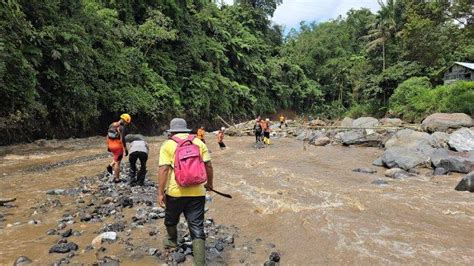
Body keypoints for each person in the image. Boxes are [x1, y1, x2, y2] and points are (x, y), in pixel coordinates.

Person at [158, 118, 213, 266]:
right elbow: (208, 165)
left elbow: (163, 169)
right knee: (196, 225)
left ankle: (172, 241)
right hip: (198, 193)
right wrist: (210, 184)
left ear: (172, 131)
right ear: (186, 130)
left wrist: (160, 193)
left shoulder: (168, 145)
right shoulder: (199, 143)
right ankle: (200, 262)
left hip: (175, 193)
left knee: (171, 219)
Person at [106, 113, 131, 183]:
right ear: (124, 120)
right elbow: (123, 139)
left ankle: (111, 168)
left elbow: (107, 136)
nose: (126, 124)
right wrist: (125, 149)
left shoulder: (112, 124)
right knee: (118, 162)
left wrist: (108, 146)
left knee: (115, 158)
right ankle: (117, 179)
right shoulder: (121, 127)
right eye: (126, 122)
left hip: (111, 145)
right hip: (118, 146)